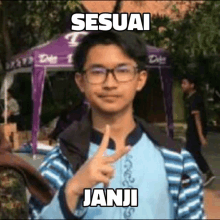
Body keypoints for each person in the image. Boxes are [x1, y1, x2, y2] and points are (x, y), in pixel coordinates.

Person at [29, 31, 205, 219]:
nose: (110, 83)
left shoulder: (177, 162)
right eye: (97, 72)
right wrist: (72, 191)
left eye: (122, 71)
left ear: (141, 79)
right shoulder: (59, 164)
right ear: (81, 81)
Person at [181, 75, 216, 187]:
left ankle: (206, 173)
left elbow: (197, 119)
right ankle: (195, 176)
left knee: (191, 154)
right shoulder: (191, 97)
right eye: (182, 83)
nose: (182, 86)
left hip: (195, 132)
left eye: (185, 83)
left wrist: (201, 136)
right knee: (192, 154)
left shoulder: (195, 98)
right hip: (192, 131)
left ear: (192, 85)